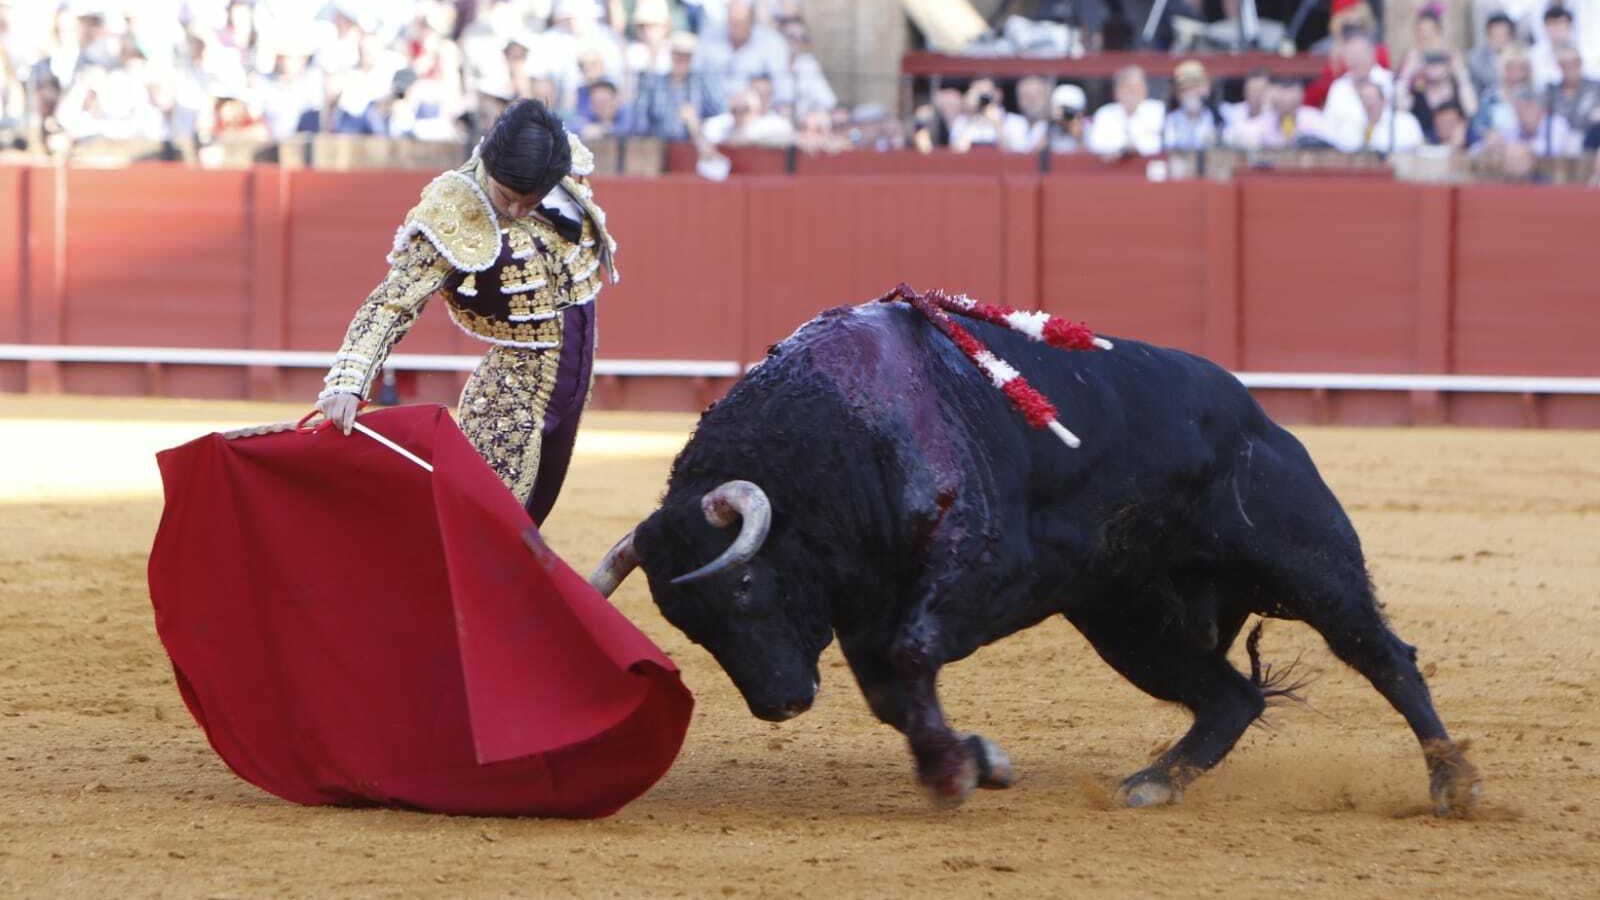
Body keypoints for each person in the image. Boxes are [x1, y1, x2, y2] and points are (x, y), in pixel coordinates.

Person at [316, 100, 619, 524]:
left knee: (529, 521)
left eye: (528, 202)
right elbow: (392, 301)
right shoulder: (454, 208)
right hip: (514, 390)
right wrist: (348, 381)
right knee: (485, 522)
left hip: (574, 378)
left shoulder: (558, 167)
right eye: (506, 197)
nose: (513, 211)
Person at [1086, 65, 1164, 157]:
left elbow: (1162, 143)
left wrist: (1136, 147)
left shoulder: (1158, 110)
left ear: (1145, 90)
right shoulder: (1105, 113)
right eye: (1126, 88)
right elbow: (1096, 144)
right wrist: (1123, 148)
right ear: (1116, 92)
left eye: (1136, 88)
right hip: (1113, 169)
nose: (1132, 93)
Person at [1163, 59, 1221, 151]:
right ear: (1178, 93)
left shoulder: (1220, 116)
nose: (1192, 93)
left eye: (1196, 86)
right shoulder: (1170, 120)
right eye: (1186, 88)